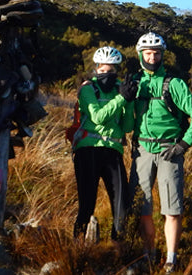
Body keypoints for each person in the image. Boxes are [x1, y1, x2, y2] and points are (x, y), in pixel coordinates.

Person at [126, 32, 192, 273]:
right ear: (140, 55)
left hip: (169, 150)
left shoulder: (175, 84)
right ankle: (148, 254)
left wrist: (183, 144)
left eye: (157, 53)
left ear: (162, 55)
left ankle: (171, 259)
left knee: (172, 208)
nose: (153, 57)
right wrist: (125, 98)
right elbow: (127, 120)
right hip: (141, 149)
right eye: (148, 53)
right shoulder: (134, 82)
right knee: (143, 208)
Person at [71, 46, 135, 241]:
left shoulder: (120, 89)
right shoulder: (87, 88)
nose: (107, 74)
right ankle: (77, 246)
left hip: (113, 151)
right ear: (96, 68)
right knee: (87, 203)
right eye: (103, 71)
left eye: (112, 70)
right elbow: (98, 117)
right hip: (88, 149)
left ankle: (118, 248)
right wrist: (122, 98)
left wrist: (130, 100)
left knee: (121, 205)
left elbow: (126, 127)